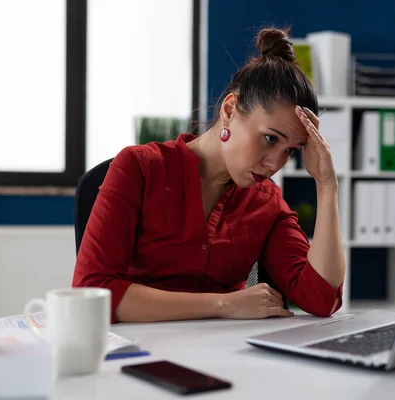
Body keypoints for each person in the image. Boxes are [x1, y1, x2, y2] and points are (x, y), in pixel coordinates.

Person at [72, 27, 346, 323]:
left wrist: (326, 183)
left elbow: (323, 299)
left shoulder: (267, 202)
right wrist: (224, 304)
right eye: (270, 139)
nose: (274, 163)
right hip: (139, 352)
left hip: (222, 355)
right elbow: (93, 291)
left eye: (291, 150)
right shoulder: (139, 168)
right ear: (230, 110)